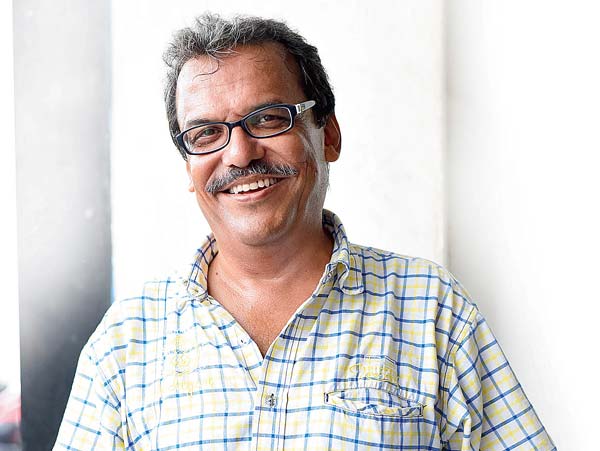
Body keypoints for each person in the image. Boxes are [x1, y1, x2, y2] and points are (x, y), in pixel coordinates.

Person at [54, 13, 555, 451]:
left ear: (328, 135)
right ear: (189, 167)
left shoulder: (432, 310)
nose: (239, 154)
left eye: (268, 119)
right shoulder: (126, 344)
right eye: (206, 133)